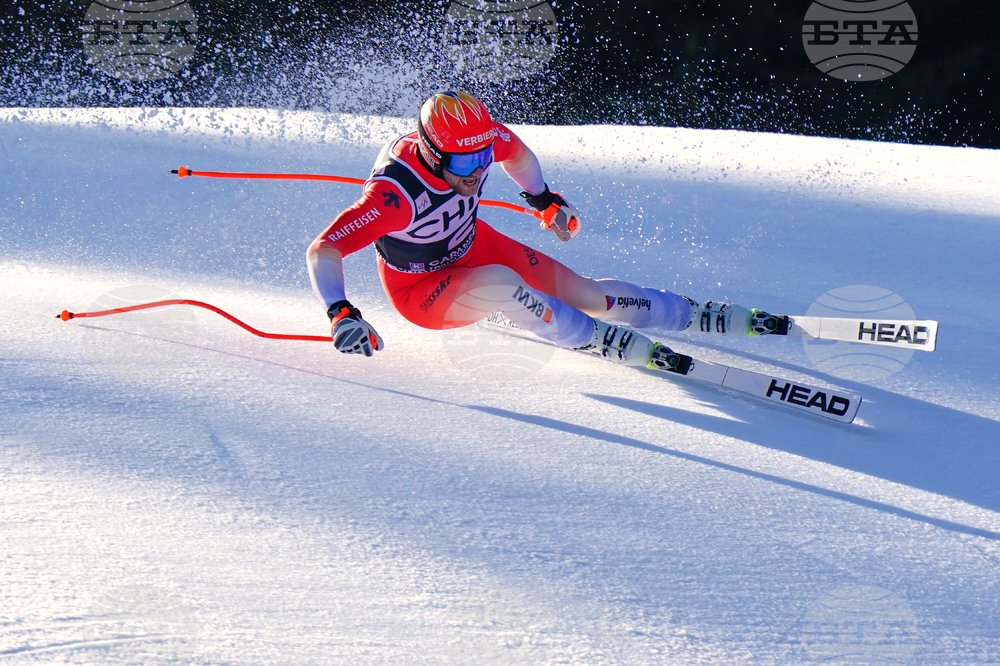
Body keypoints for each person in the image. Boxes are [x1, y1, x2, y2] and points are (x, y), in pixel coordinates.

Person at [307, 90, 774, 366]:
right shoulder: (395, 195)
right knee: (505, 286)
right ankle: (591, 338)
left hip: (473, 246)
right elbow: (324, 248)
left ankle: (680, 311)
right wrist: (341, 313)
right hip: (422, 291)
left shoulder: (480, 140)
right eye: (464, 161)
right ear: (431, 152)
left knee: (589, 293)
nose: (475, 170)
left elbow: (518, 154)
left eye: (481, 156)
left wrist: (543, 198)